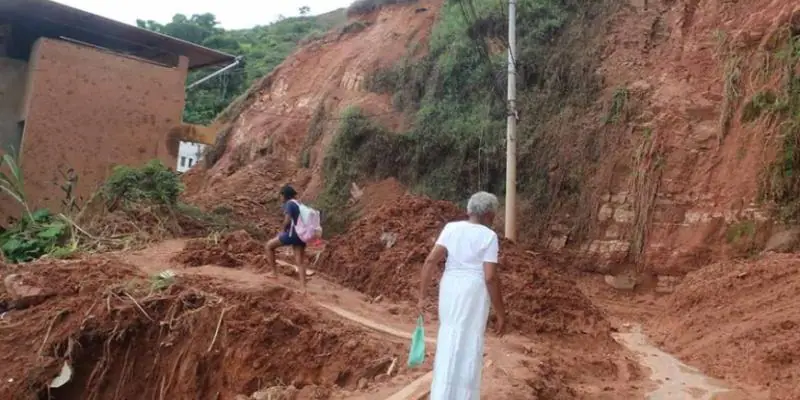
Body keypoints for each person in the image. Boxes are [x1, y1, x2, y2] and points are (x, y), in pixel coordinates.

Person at [417, 191, 506, 399]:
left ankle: (440, 394)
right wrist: (501, 312)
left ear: (468, 210)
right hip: (473, 290)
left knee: (448, 334)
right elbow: (490, 277)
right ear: (490, 216)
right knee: (469, 340)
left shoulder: (451, 228)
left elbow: (430, 261)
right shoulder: (489, 236)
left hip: (450, 287)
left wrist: (422, 296)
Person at [265, 185, 310, 290]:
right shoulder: (299, 203)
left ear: (285, 195)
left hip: (292, 233)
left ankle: (274, 273)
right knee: (300, 261)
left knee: (269, 246)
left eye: (281, 195)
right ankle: (303, 288)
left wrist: (282, 230)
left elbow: (288, 219)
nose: (281, 198)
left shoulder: (289, 204)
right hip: (302, 234)